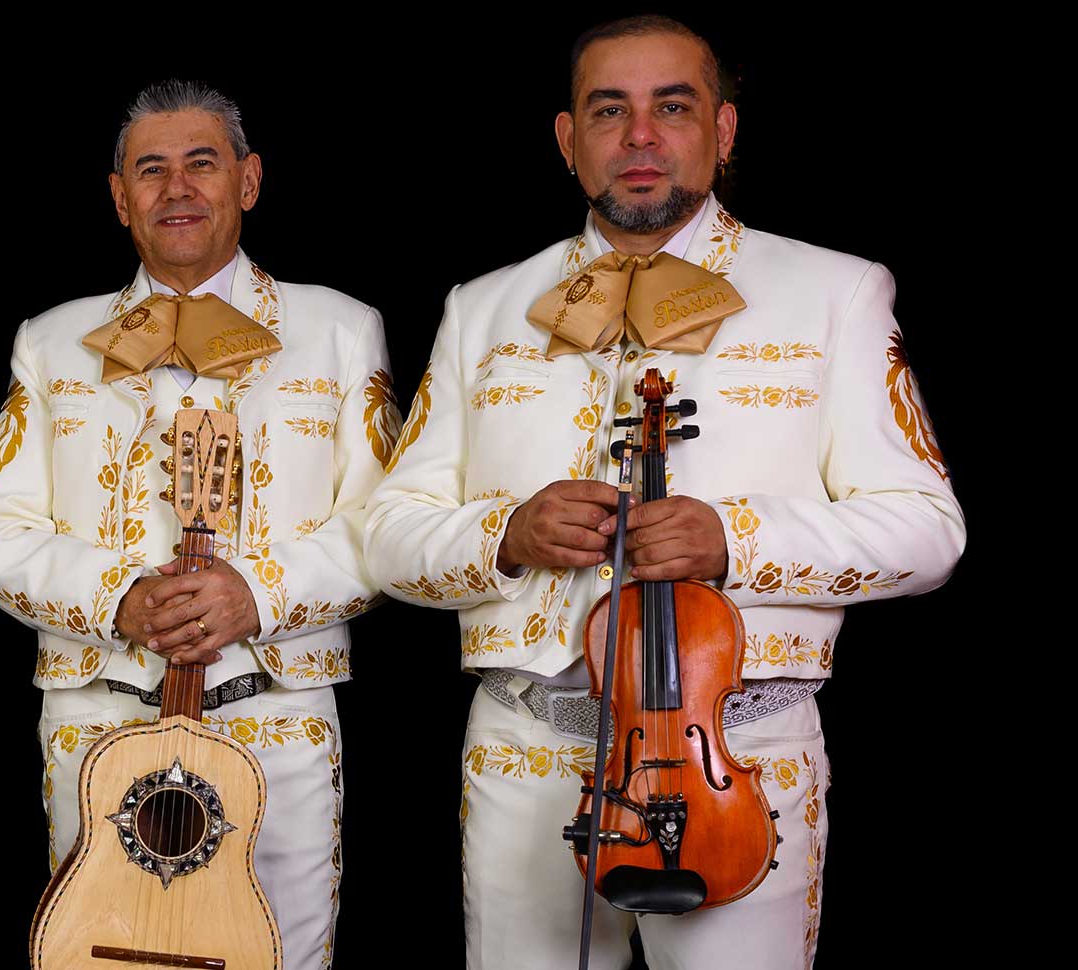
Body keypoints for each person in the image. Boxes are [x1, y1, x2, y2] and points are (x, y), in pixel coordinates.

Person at [361, 16, 966, 969]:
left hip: (736, 759)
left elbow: (930, 531)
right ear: (570, 141)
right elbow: (389, 538)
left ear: (723, 131)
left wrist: (734, 542)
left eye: (671, 107)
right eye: (611, 110)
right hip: (528, 755)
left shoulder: (834, 291)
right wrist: (505, 533)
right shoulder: (482, 307)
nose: (640, 137)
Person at [0, 80, 391, 969]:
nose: (177, 188)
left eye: (203, 163)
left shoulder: (340, 328)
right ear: (120, 199)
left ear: (249, 181)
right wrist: (117, 596)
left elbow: (386, 527)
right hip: (98, 721)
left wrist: (256, 594)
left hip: (279, 717)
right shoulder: (52, 339)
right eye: (150, 170)